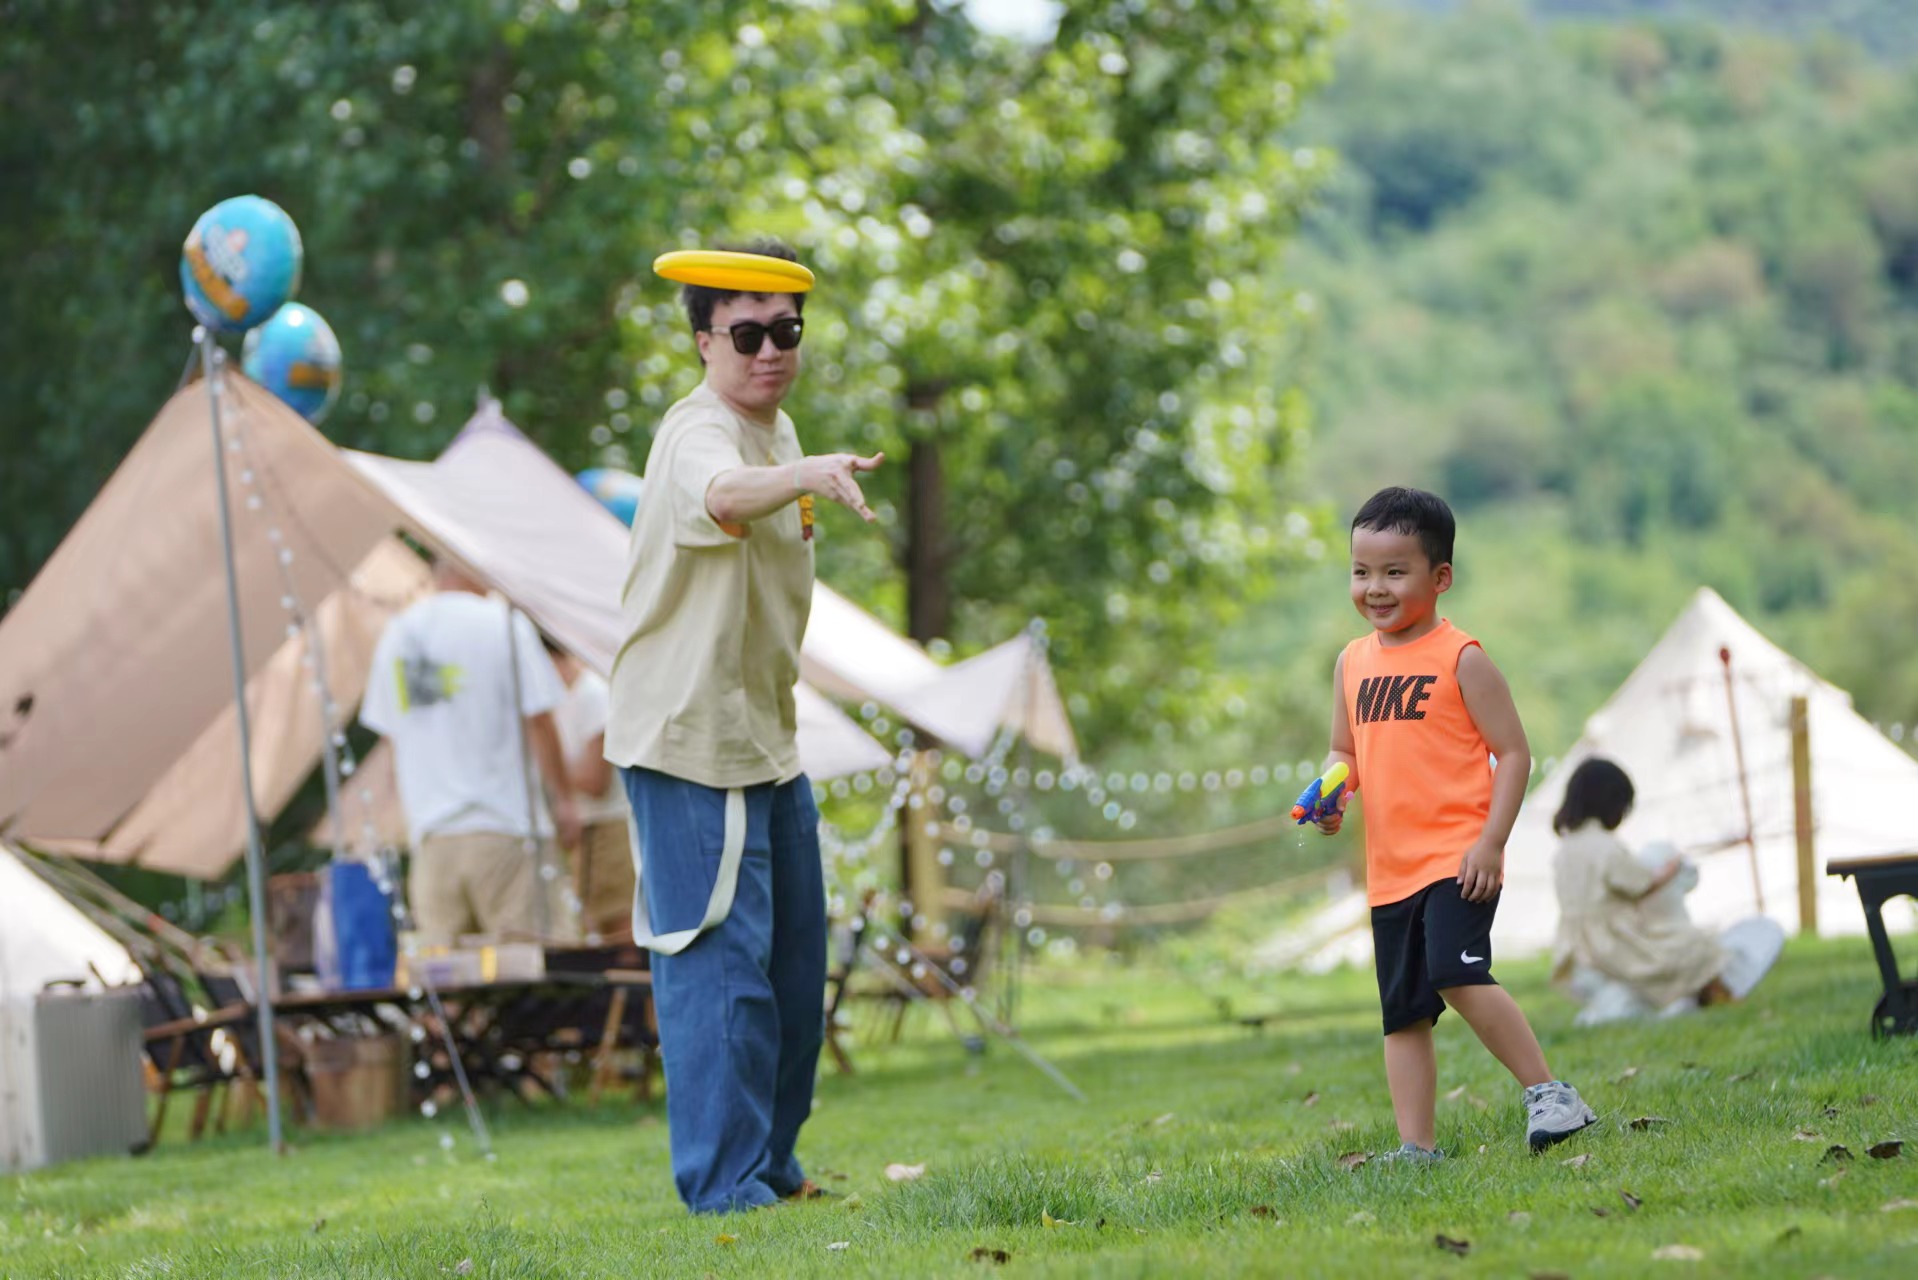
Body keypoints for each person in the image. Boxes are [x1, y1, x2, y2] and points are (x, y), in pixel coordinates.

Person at [605, 238, 883, 1214]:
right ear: (701, 341)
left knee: (794, 965)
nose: (770, 350)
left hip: (764, 741)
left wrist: (797, 463)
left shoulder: (777, 428)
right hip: (688, 744)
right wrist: (807, 472)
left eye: (787, 330)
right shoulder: (697, 433)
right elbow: (719, 497)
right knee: (721, 969)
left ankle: (770, 1163)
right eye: (747, 332)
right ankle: (724, 1189)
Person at [1313, 486, 1596, 1160]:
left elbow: (1516, 752)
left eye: (1393, 571)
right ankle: (1418, 1147)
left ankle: (1552, 1096)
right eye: (1360, 571)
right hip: (1390, 871)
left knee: (1455, 971)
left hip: (1458, 857)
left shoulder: (1461, 657)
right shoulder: (1352, 663)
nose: (1374, 588)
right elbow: (1345, 751)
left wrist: (1491, 843)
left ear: (1439, 578)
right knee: (1403, 1013)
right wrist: (1329, 792)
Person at [360, 557, 579, 947]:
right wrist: (563, 799)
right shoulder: (503, 624)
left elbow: (390, 740)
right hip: (506, 827)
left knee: (447, 981)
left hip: (432, 837)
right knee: (537, 965)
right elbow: (540, 722)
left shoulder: (399, 634)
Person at [1550, 757, 1733, 1017]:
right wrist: (1669, 870)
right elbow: (1639, 884)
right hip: (1612, 944)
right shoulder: (1606, 847)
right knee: (1693, 943)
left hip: (1574, 948)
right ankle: (1707, 997)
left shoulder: (1564, 850)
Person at [544, 637, 635, 942]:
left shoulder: (593, 694)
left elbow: (596, 780)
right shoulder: (558, 702)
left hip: (609, 828)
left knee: (621, 933)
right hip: (584, 832)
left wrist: (548, 766)